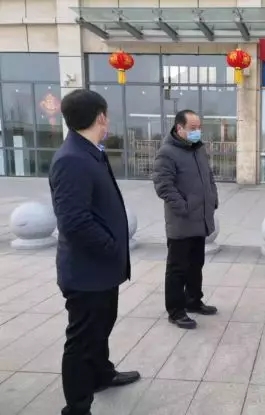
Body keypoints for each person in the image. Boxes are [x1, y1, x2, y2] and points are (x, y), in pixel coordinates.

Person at [49, 89, 140, 415]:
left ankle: (102, 374)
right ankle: (77, 407)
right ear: (101, 117)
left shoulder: (89, 152)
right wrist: (111, 247)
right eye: (107, 116)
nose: (108, 121)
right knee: (82, 340)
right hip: (87, 272)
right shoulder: (72, 159)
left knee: (101, 327)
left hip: (101, 269)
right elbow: (74, 221)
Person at [153, 109, 218, 330]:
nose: (197, 131)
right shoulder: (167, 152)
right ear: (179, 128)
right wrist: (184, 207)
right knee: (177, 268)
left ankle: (193, 301)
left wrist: (213, 198)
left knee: (195, 264)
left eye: (199, 127)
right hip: (181, 221)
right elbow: (163, 186)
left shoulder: (198, 149)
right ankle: (176, 311)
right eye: (192, 128)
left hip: (200, 219)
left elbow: (208, 176)